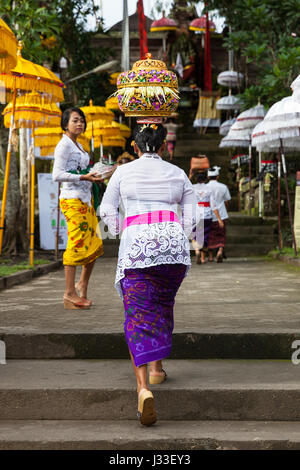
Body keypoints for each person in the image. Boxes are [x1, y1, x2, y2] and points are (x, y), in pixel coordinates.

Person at [99, 122, 200, 427]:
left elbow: (106, 210)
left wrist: (121, 230)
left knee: (138, 313)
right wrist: (177, 234)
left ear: (136, 146)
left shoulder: (123, 172)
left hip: (137, 246)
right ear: (164, 145)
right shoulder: (177, 172)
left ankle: (143, 388)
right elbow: (194, 217)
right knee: (161, 305)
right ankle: (157, 369)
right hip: (172, 247)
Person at [52, 107, 104, 309]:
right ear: (65, 124)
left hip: (85, 199)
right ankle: (69, 293)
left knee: (93, 243)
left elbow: (84, 171)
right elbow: (57, 174)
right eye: (75, 120)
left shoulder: (79, 145)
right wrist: (83, 176)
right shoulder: (63, 145)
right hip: (72, 200)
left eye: (82, 120)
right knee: (76, 242)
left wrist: (99, 173)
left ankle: (81, 285)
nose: (80, 123)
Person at [190, 171, 224, 264]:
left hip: (195, 214)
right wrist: (219, 219)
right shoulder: (209, 189)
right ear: (205, 179)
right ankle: (202, 258)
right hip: (207, 215)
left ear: (196, 179)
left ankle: (197, 251)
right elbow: (213, 205)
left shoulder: (192, 188)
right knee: (205, 236)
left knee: (195, 235)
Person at [206, 166, 231, 262]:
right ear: (217, 176)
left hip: (208, 214)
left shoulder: (205, 188)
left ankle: (211, 256)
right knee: (221, 234)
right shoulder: (223, 187)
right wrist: (226, 210)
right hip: (222, 214)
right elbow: (226, 200)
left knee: (210, 235)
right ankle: (220, 250)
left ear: (208, 177)